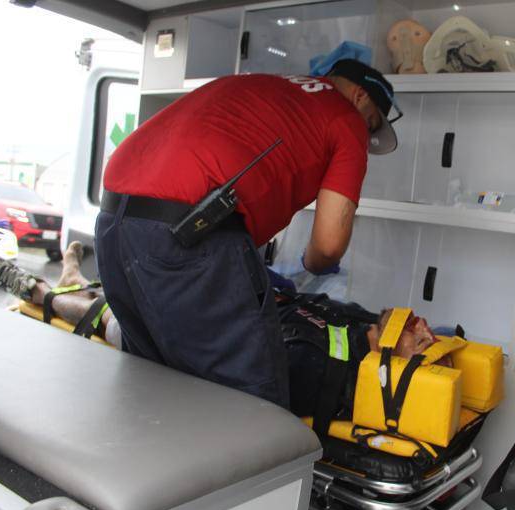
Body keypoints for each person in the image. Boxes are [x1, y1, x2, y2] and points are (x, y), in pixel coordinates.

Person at [94, 59, 402, 408]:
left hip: (113, 222)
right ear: (360, 96)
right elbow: (328, 247)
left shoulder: (266, 85)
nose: (367, 131)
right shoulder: (347, 120)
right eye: (372, 122)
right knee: (254, 409)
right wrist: (309, 264)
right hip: (187, 233)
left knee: (155, 386)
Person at [0, 249, 446, 420]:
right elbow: (369, 314)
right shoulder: (357, 327)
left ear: (394, 361)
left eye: (419, 337)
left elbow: (234, 372)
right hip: (221, 311)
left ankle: (36, 290)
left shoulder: (318, 372)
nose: (419, 324)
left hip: (187, 344)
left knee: (113, 316)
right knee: (133, 288)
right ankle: (71, 269)